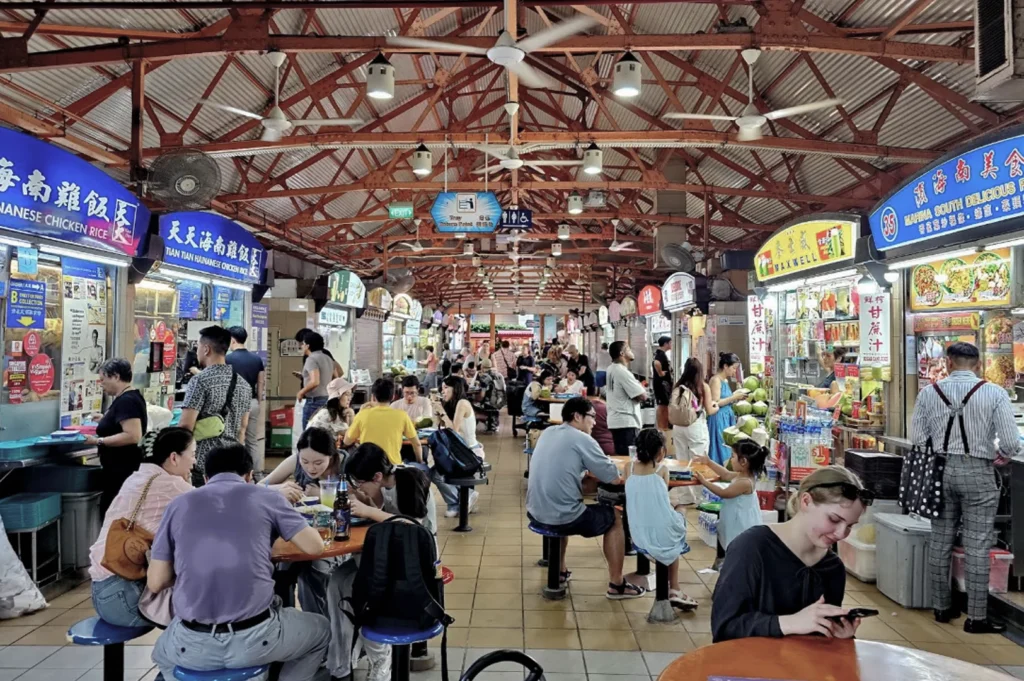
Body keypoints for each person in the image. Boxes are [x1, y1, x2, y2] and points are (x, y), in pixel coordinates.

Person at [148, 443, 329, 681]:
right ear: (249, 476)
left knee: (160, 656)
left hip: (191, 643)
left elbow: (156, 582)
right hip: (257, 639)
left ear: (205, 477)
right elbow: (314, 546)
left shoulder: (178, 505)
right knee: (321, 631)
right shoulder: (267, 497)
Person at [910, 341, 1020, 634]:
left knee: (940, 538)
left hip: (940, 472)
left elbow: (918, 438)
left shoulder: (928, 393)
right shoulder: (994, 393)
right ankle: (976, 617)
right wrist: (1003, 454)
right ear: (978, 364)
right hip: (978, 472)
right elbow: (1010, 442)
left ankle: (942, 608)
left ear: (947, 363)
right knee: (977, 543)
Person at [710, 466, 870, 642]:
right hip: (751, 666)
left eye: (850, 525)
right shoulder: (752, 548)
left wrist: (838, 635)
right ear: (806, 501)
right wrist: (789, 623)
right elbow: (724, 628)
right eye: (834, 519)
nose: (841, 534)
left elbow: (820, 637)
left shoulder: (833, 567)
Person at [325, 443, 437, 681]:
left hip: (415, 562)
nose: (357, 487)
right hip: (389, 556)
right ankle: (342, 657)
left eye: (359, 482)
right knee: (336, 581)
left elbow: (412, 528)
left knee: (361, 591)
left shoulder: (410, 479)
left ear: (377, 476)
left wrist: (368, 510)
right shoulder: (384, 485)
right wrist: (366, 500)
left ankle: (380, 658)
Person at [526, 397, 643, 599]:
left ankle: (560, 572)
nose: (595, 422)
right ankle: (617, 584)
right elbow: (613, 478)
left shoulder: (548, 433)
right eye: (592, 416)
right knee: (614, 517)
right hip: (562, 515)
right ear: (577, 416)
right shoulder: (582, 439)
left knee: (564, 505)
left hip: (535, 510)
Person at [88, 427, 195, 627]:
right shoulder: (170, 484)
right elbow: (216, 504)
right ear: (174, 457)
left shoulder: (138, 477)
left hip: (104, 591)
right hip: (124, 597)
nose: (194, 461)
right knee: (200, 612)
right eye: (192, 454)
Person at [262, 427, 344, 617]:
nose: (311, 468)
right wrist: (279, 489)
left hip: (335, 535)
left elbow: (359, 502)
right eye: (305, 461)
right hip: (300, 531)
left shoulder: (345, 464)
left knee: (316, 569)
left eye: (318, 462)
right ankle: (287, 619)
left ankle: (321, 624)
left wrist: (322, 495)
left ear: (331, 456)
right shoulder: (295, 461)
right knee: (281, 568)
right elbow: (259, 487)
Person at [623, 428, 698, 610]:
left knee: (666, 524)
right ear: (661, 451)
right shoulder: (662, 470)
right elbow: (662, 501)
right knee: (679, 510)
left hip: (637, 533)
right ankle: (675, 588)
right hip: (661, 533)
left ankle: (669, 586)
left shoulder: (628, 468)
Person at [178, 326, 253, 487]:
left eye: (198, 347)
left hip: (203, 465)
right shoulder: (244, 385)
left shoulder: (200, 381)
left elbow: (185, 426)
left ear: (206, 349)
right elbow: (242, 428)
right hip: (233, 465)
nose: (197, 352)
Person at [85, 358, 148, 513]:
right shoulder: (128, 397)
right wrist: (106, 419)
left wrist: (98, 441)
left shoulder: (127, 401)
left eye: (103, 379)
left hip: (122, 471)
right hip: (119, 470)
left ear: (116, 376)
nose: (101, 384)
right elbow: (122, 423)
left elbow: (133, 435)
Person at [693, 439, 768, 549]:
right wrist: (709, 462)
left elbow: (723, 493)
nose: (730, 460)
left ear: (743, 461)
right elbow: (726, 474)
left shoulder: (745, 482)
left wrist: (704, 482)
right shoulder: (742, 475)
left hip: (740, 523)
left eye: (732, 456)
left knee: (737, 547)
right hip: (734, 518)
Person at [344, 378, 422, 465]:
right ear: (393, 397)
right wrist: (420, 462)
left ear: (373, 396)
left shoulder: (362, 415)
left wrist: (358, 414)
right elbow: (417, 444)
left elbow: (346, 441)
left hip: (368, 468)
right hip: (393, 468)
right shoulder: (402, 415)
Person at [670, 358, 713, 506]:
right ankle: (701, 498)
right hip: (696, 426)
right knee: (699, 462)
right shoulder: (703, 387)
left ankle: (685, 497)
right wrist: (717, 406)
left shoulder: (678, 387)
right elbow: (710, 410)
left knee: (682, 461)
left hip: (678, 427)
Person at [226, 326, 266, 473]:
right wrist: (259, 401)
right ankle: (256, 473)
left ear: (232, 339)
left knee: (234, 438)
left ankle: (236, 472)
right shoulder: (256, 359)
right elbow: (261, 382)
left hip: (234, 403)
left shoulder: (228, 359)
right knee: (252, 440)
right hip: (252, 402)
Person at [605, 341, 647, 455]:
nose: (632, 352)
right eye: (629, 349)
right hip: (626, 422)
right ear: (622, 353)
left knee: (623, 457)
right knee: (630, 459)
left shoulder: (611, 369)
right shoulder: (622, 371)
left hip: (616, 420)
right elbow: (642, 396)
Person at [708, 353, 749, 466]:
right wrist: (734, 397)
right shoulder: (716, 380)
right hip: (718, 418)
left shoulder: (725, 381)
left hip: (726, 418)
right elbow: (716, 403)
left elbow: (726, 399)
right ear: (725, 366)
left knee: (727, 447)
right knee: (721, 448)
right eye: (733, 368)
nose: (734, 371)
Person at [390, 375, 434, 462]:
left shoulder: (425, 402)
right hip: (400, 443)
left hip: (419, 441)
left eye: (412, 393)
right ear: (402, 390)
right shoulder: (395, 405)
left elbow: (426, 421)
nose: (409, 396)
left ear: (418, 390)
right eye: (406, 393)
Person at [297, 331, 334, 430]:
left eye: (303, 344)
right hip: (328, 399)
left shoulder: (311, 359)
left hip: (314, 402)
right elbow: (336, 376)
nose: (302, 346)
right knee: (323, 432)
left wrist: (301, 392)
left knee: (309, 433)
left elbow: (315, 381)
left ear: (308, 346)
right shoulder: (327, 358)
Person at [308, 377, 355, 443]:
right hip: (316, 451)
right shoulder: (330, 414)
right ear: (337, 396)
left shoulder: (328, 411)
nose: (350, 398)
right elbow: (350, 437)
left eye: (351, 394)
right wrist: (352, 415)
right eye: (347, 394)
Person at [652, 336, 674, 431]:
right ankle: (662, 427)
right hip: (661, 384)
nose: (671, 345)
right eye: (670, 343)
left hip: (662, 384)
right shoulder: (660, 354)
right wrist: (661, 373)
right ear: (665, 344)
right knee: (663, 406)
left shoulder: (661, 353)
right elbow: (656, 362)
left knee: (664, 405)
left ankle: (662, 426)